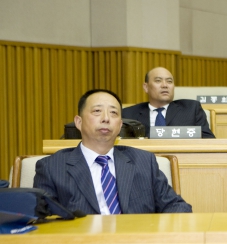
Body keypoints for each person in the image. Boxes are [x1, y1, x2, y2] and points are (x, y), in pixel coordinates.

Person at [34, 89, 192, 214]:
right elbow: (41, 219)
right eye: (97, 111)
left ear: (120, 125)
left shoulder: (144, 162)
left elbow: (177, 207)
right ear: (78, 122)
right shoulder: (51, 167)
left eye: (113, 113)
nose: (106, 118)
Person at [122, 67, 215, 138]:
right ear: (146, 87)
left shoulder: (191, 109)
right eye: (158, 81)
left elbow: (209, 140)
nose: (165, 85)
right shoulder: (129, 114)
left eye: (169, 81)